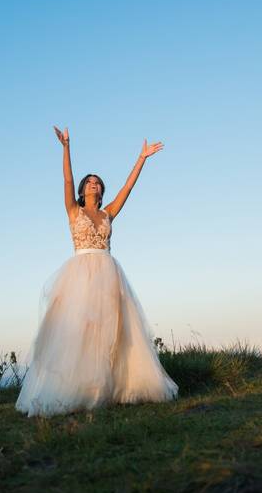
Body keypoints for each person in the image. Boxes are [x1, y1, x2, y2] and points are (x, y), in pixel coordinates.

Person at [14, 126, 179, 417]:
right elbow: (66, 177)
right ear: (82, 190)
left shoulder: (108, 213)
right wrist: (66, 146)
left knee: (112, 330)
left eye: (97, 182)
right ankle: (80, 387)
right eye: (88, 182)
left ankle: (112, 385)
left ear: (102, 191)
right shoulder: (73, 211)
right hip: (78, 274)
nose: (93, 184)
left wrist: (142, 158)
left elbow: (128, 187)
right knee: (79, 329)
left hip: (107, 272)